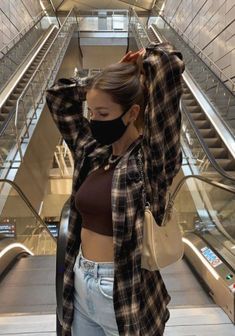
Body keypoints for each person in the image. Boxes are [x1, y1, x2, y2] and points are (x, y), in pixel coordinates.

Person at [46, 41, 184, 336]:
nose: (94, 121)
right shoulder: (93, 151)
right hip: (80, 281)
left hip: (124, 291)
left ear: (132, 113)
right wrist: (98, 85)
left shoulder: (152, 160)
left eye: (104, 114)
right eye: (92, 112)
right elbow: (57, 97)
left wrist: (140, 66)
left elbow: (169, 65)